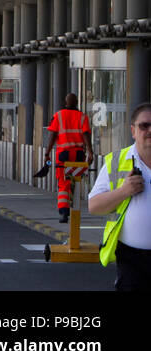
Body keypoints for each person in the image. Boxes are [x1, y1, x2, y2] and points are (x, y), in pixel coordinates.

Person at [89, 101, 151, 290]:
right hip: (132, 259)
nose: (149, 130)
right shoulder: (116, 162)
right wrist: (124, 191)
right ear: (133, 131)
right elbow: (94, 206)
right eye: (144, 126)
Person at [43, 93, 93, 222]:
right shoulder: (83, 117)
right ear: (77, 102)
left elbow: (53, 135)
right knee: (76, 180)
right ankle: (75, 206)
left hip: (63, 154)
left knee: (63, 184)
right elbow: (86, 135)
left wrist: (47, 153)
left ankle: (64, 212)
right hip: (78, 154)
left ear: (65, 102)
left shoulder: (58, 116)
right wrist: (90, 153)